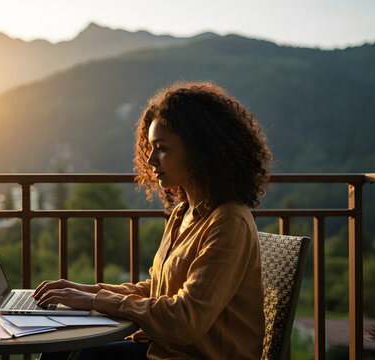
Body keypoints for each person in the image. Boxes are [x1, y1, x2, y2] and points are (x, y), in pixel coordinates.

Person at [33, 82, 272, 360]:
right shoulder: (184, 212)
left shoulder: (229, 222)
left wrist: (97, 301)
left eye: (161, 148)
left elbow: (185, 320)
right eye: (150, 147)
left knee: (71, 356)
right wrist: (87, 291)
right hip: (160, 349)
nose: (150, 159)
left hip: (195, 355)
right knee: (60, 351)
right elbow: (160, 290)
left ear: (200, 150)